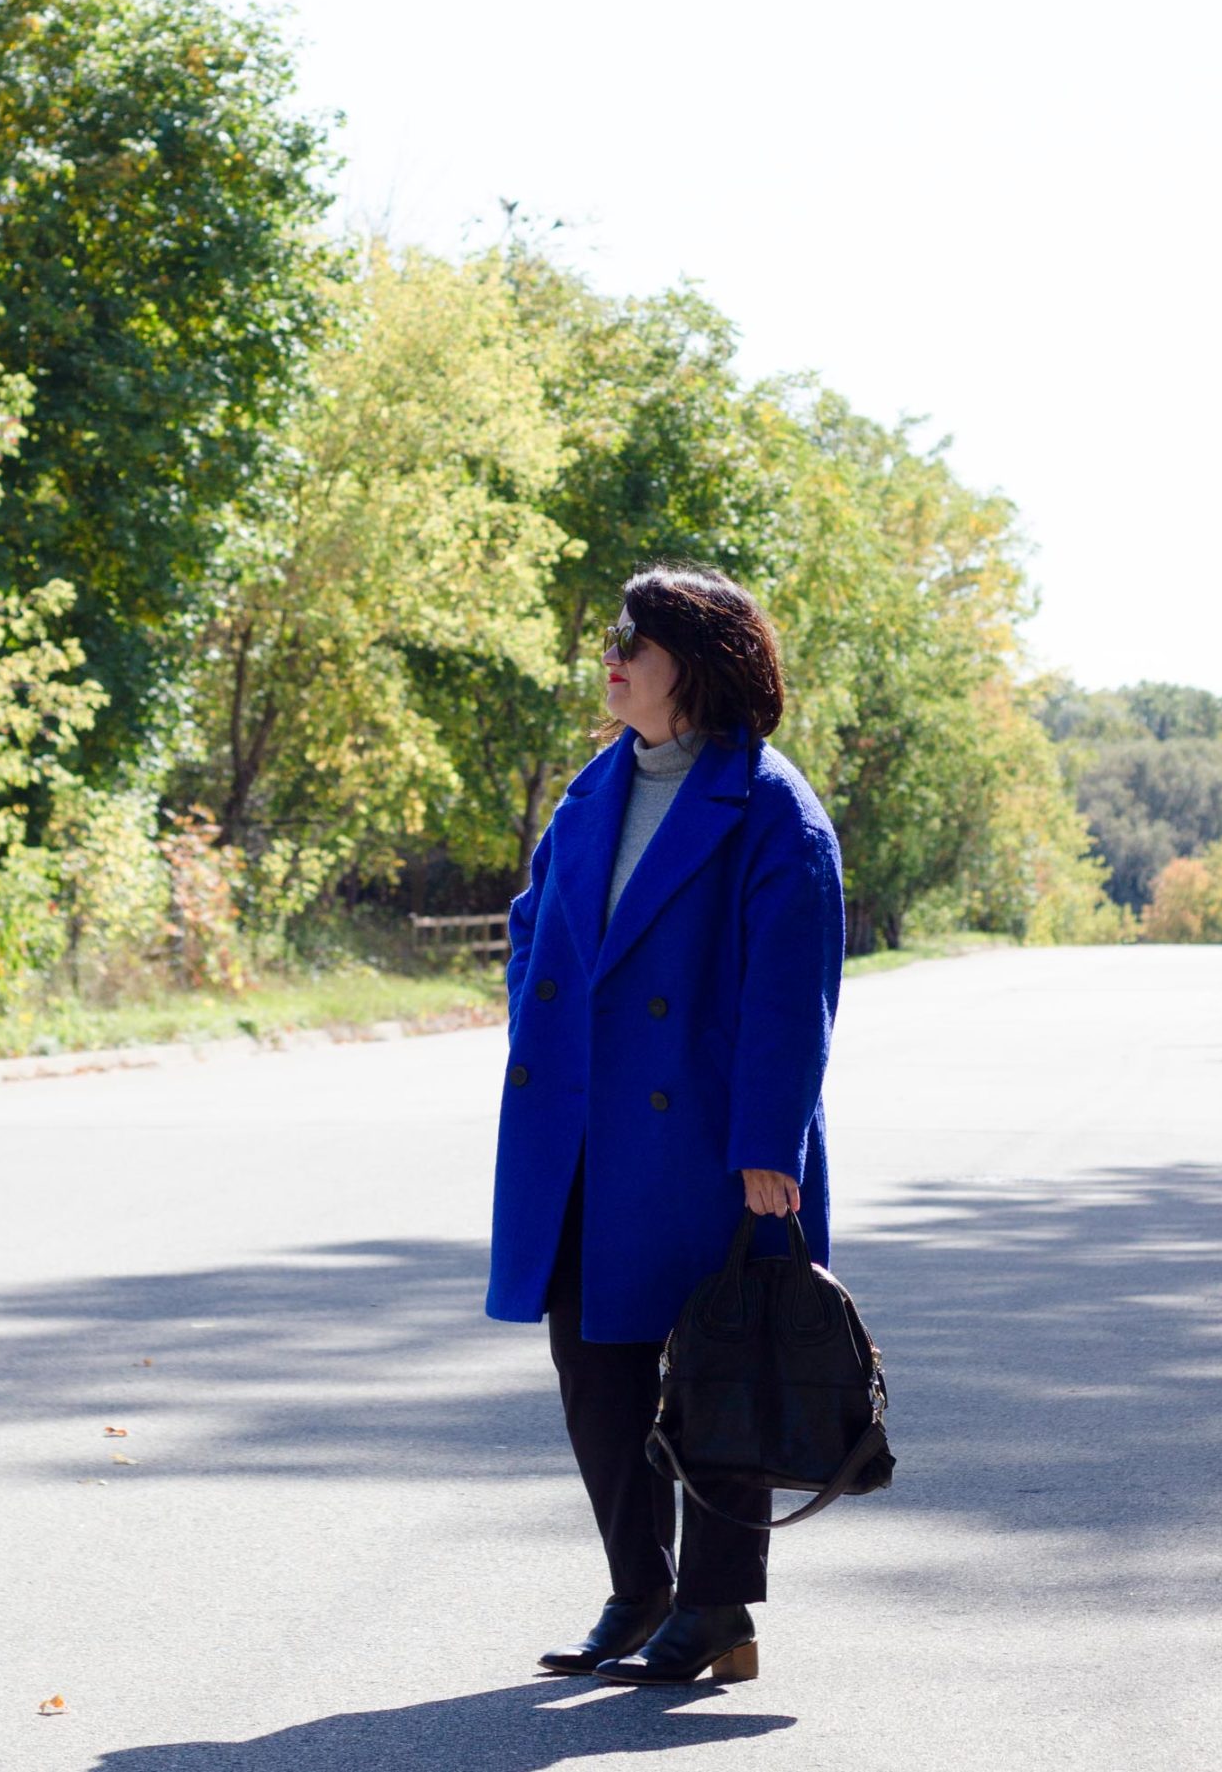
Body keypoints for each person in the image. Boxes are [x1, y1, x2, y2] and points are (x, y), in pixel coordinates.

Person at [485, 562, 845, 1686]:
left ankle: (719, 1612)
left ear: (697, 662)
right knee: (595, 1370)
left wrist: (765, 1149)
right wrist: (537, 1057)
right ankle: (637, 1589)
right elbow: (534, 937)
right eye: (614, 638)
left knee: (715, 1372)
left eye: (635, 641)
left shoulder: (770, 804)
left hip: (709, 1143)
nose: (614, 657)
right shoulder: (595, 787)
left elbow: (792, 996)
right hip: (584, 1137)